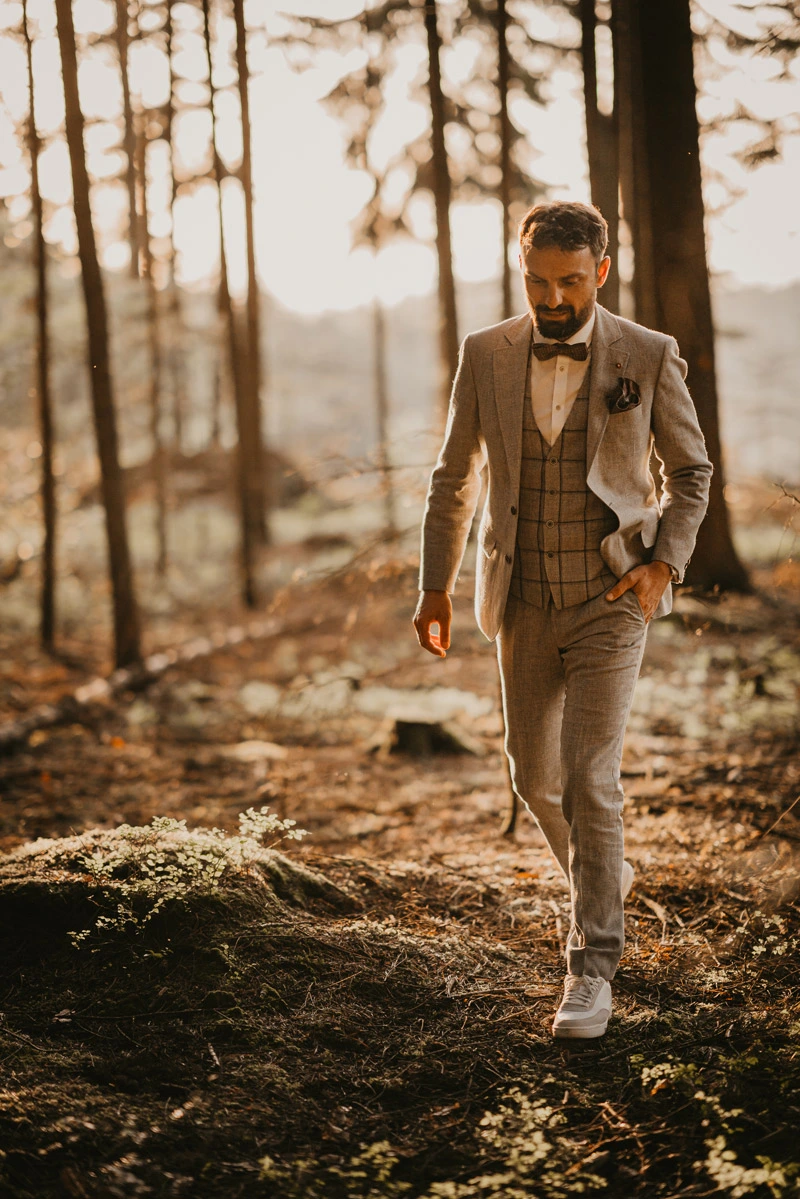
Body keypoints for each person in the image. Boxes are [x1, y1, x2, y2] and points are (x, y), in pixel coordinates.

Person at [413, 201, 712, 1039]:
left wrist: (664, 565)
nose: (552, 298)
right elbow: (453, 478)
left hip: (611, 600)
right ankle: (601, 885)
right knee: (533, 778)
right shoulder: (487, 353)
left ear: (601, 272)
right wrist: (435, 584)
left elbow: (691, 471)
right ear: (522, 270)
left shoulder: (647, 356)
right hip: (520, 600)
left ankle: (592, 967)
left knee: (590, 776)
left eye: (569, 282)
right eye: (538, 282)